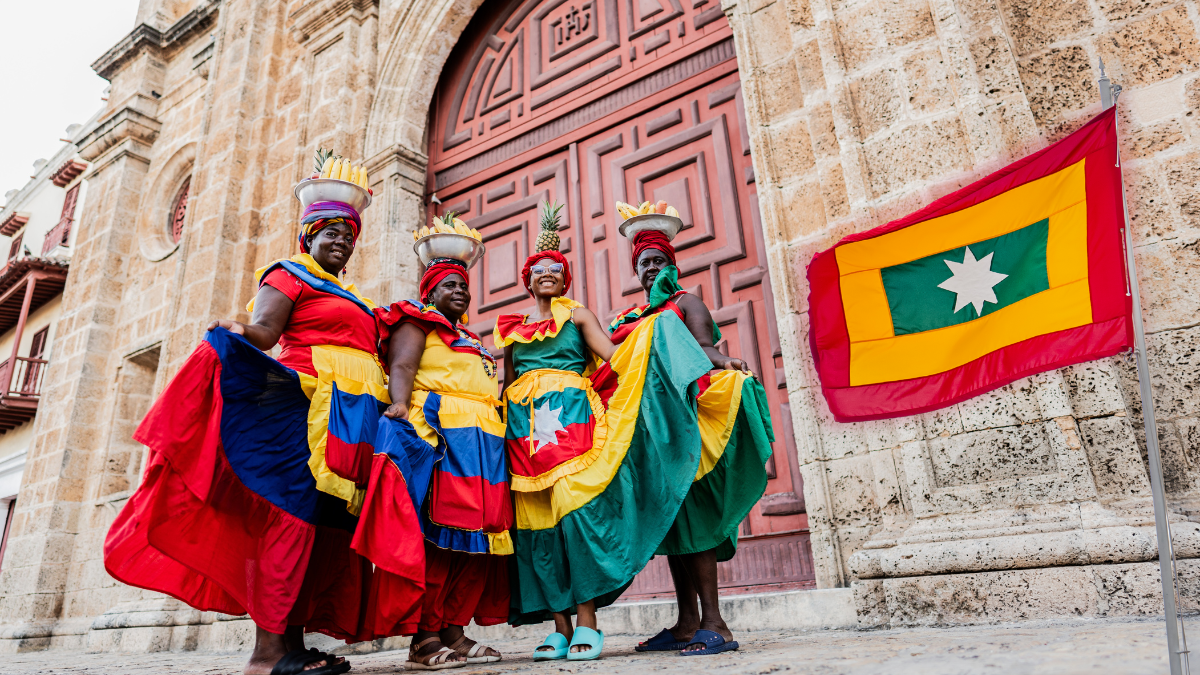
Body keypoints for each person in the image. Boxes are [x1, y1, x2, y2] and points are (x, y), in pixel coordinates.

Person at [104, 197, 428, 675]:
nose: (341, 242)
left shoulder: (353, 295)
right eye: (331, 233)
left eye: (349, 236)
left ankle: (293, 645)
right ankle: (267, 653)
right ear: (308, 236)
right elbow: (265, 330)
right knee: (291, 516)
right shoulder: (288, 274)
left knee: (319, 525)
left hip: (347, 418)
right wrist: (239, 327)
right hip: (304, 406)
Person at [499, 204, 718, 661]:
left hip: (573, 427)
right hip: (525, 438)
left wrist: (657, 333)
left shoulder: (578, 316)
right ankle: (558, 627)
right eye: (538, 269)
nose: (546, 275)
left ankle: (588, 621)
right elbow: (506, 385)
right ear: (526, 279)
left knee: (577, 517)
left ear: (565, 279)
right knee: (539, 529)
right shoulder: (512, 332)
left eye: (554, 270)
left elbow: (615, 358)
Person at [611, 226, 774, 656]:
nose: (650, 269)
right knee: (675, 522)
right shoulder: (634, 319)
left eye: (657, 261)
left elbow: (705, 348)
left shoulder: (686, 302)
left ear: (672, 264)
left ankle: (715, 624)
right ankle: (686, 623)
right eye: (643, 264)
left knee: (696, 518)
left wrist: (728, 361)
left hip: (691, 422)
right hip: (655, 430)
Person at [374, 249, 511, 670]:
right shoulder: (417, 322)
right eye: (449, 285)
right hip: (444, 437)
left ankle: (454, 627)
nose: (459, 292)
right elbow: (402, 365)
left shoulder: (471, 339)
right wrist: (399, 407)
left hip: (484, 442)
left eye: (463, 286)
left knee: (476, 539)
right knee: (441, 535)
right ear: (429, 291)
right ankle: (425, 636)